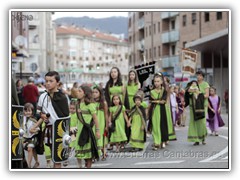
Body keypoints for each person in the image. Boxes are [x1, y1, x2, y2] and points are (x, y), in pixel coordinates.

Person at [37, 71, 70, 168]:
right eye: (46, 81)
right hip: (49, 129)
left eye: (51, 81)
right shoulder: (42, 96)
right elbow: (38, 111)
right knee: (53, 155)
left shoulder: (63, 98)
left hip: (60, 130)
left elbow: (65, 116)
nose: (48, 83)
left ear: (57, 83)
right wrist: (42, 115)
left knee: (58, 158)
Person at [75, 85, 101, 168]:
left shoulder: (90, 105)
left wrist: (97, 131)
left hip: (88, 131)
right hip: (79, 131)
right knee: (80, 151)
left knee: (88, 153)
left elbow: (95, 119)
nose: (77, 93)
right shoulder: (78, 104)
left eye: (80, 91)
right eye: (77, 91)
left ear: (85, 93)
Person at [148, 73, 169, 150]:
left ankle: (163, 141)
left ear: (161, 82)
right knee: (155, 126)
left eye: (158, 81)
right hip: (153, 110)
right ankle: (156, 142)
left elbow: (163, 101)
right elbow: (150, 101)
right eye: (155, 81)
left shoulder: (164, 91)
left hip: (161, 110)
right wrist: (157, 101)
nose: (156, 83)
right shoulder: (152, 92)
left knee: (162, 125)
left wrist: (155, 101)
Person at [185, 78, 208, 146]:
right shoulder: (189, 92)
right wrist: (191, 90)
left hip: (200, 109)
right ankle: (196, 140)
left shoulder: (200, 93)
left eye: (195, 83)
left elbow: (204, 96)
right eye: (193, 83)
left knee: (202, 124)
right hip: (192, 110)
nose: (194, 84)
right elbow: (187, 92)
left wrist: (197, 92)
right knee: (194, 124)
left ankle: (203, 138)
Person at [92, 86, 109, 161]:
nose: (94, 94)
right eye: (93, 92)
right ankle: (95, 154)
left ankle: (103, 153)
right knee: (94, 138)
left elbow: (106, 115)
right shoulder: (91, 103)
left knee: (101, 138)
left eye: (96, 92)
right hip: (93, 123)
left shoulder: (104, 103)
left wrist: (107, 125)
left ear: (100, 93)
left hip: (101, 122)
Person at [22, 103, 40, 168]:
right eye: (26, 111)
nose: (27, 112)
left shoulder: (33, 119)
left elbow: (38, 129)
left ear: (32, 111)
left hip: (32, 137)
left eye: (29, 111)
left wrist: (33, 131)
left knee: (30, 149)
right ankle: (37, 162)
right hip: (24, 137)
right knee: (32, 150)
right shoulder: (22, 119)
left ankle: (29, 165)